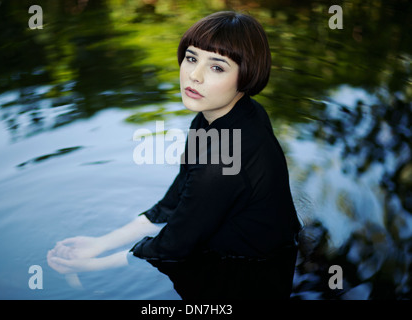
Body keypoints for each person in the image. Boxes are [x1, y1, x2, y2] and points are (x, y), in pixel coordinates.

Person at [47, 11, 301, 299]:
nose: (194, 75)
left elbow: (175, 246)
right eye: (191, 58)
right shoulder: (229, 115)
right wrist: (101, 243)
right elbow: (176, 199)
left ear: (246, 76)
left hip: (248, 276)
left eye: (217, 67)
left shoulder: (223, 158)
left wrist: (94, 266)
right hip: (255, 251)